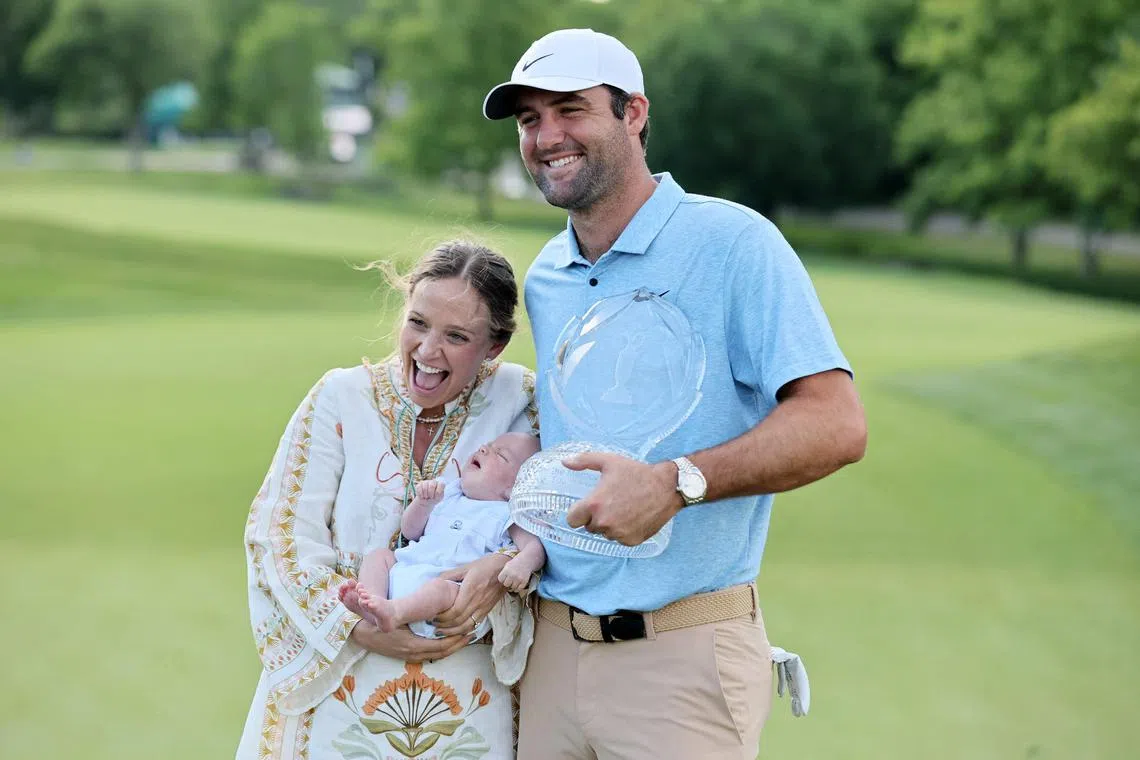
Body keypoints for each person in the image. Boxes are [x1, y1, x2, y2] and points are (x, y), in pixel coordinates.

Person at [482, 28, 868, 759]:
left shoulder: (734, 244)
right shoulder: (547, 276)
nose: (546, 136)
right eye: (530, 120)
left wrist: (676, 483)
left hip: (681, 659)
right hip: (549, 652)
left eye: (570, 110)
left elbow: (837, 423)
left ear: (633, 115)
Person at [236, 240, 540, 760]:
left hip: (472, 700)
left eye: (456, 336)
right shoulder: (340, 396)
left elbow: (554, 524)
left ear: (494, 346)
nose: (426, 350)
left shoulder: (522, 404)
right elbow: (279, 535)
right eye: (418, 323)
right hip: (338, 689)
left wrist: (502, 569)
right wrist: (360, 627)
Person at [338, 432, 544, 637]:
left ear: (515, 489)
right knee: (379, 556)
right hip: (405, 573)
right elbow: (410, 532)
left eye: (500, 455)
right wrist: (423, 503)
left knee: (441, 589)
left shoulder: (506, 513)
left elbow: (534, 548)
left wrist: (522, 564)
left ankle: (394, 613)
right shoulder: (448, 492)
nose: (484, 448)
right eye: (488, 444)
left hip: (446, 602)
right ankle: (373, 604)